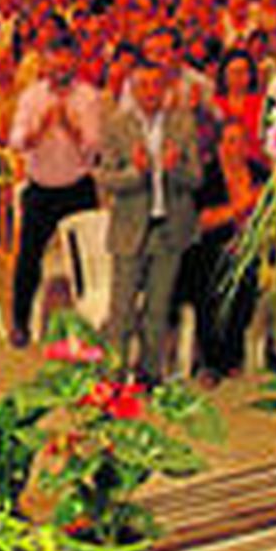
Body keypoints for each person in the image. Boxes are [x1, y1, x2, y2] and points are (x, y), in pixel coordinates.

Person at [95, 60, 201, 385]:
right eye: (143, 85)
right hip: (130, 230)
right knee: (122, 312)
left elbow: (196, 178)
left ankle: (150, 376)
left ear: (167, 88)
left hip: (168, 230)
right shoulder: (117, 124)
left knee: (158, 311)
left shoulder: (182, 124)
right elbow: (105, 178)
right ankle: (113, 377)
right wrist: (135, 174)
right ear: (132, 88)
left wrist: (174, 170)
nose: (150, 92)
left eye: (157, 85)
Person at [6, 33, 102, 348]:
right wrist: (38, 132)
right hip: (41, 187)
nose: (60, 64)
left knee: (84, 258)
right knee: (28, 258)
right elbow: (16, 140)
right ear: (45, 61)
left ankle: (87, 324)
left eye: (66, 57)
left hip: (77, 187)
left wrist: (72, 129)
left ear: (75, 60)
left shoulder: (88, 96)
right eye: (54, 57)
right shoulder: (32, 96)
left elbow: (96, 147)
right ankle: (19, 322)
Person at [179, 119, 268, 383]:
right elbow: (203, 221)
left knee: (245, 277)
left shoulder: (259, 173)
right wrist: (239, 209)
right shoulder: (208, 176)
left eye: (240, 141)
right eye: (229, 141)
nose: (234, 148)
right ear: (218, 146)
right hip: (210, 247)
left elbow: (271, 219)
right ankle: (212, 360)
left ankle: (232, 355)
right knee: (211, 276)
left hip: (250, 248)